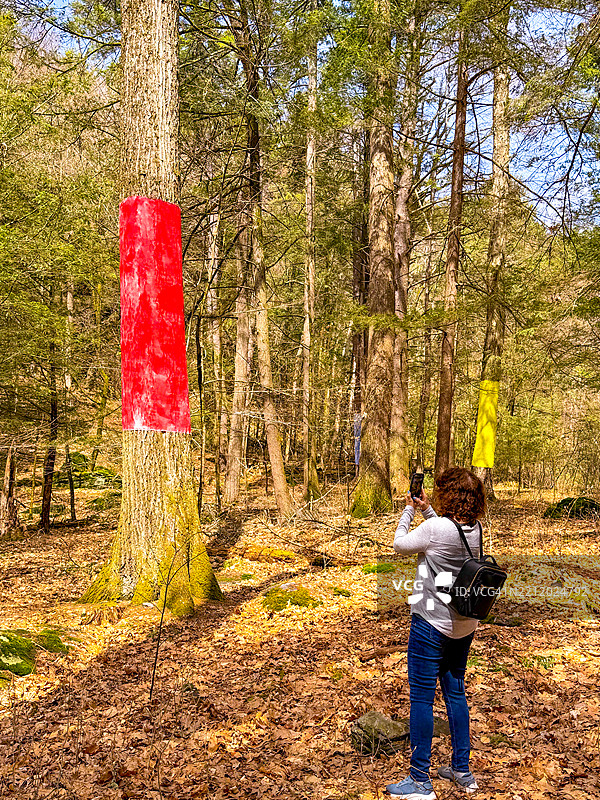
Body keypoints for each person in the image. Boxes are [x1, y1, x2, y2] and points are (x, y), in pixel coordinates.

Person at [385, 466, 485, 799]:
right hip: (463, 625)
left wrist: (408, 510)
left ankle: (419, 780)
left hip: (430, 623)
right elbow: (446, 536)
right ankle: (462, 770)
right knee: (455, 693)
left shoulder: (435, 528)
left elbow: (400, 544)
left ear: (448, 495)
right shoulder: (475, 528)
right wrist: (427, 509)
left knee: (422, 699)